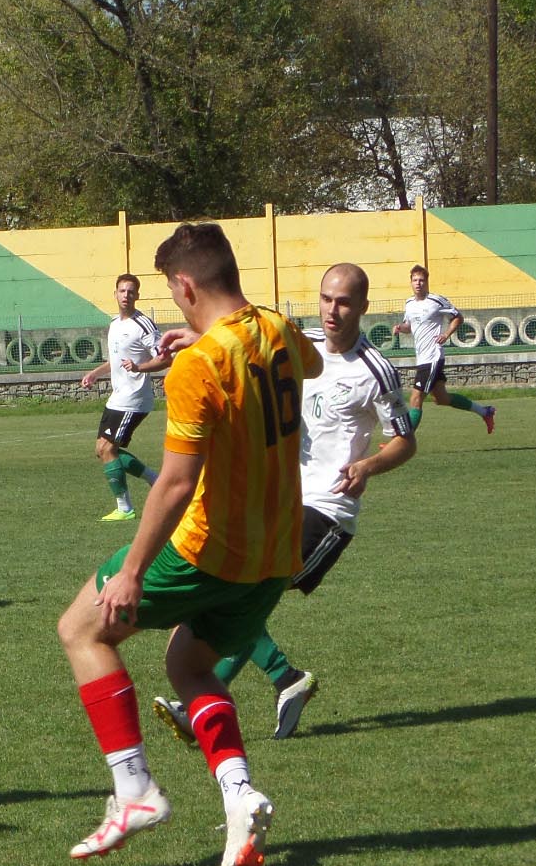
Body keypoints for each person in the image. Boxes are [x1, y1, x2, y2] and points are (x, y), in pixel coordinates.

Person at [57, 222, 321, 866]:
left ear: (185, 285)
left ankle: (134, 791)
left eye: (174, 294)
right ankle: (239, 796)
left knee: (82, 630)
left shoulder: (197, 367)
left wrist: (133, 570)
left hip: (209, 549)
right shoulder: (279, 329)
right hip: (275, 554)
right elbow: (307, 364)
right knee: (191, 666)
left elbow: (176, 482)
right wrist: (207, 337)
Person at [151, 263, 415, 744]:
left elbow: (405, 441)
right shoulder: (299, 343)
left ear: (363, 307)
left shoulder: (375, 370)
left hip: (329, 509)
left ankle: (210, 702)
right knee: (238, 591)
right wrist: (200, 339)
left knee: (244, 591)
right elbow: (245, 349)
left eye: (344, 302)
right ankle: (286, 678)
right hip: (279, 496)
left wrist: (368, 466)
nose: (332, 310)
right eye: (326, 299)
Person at [77, 273, 170, 521]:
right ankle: (155, 480)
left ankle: (125, 508)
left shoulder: (144, 325)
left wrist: (140, 367)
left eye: (130, 291)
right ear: (115, 294)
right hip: (117, 397)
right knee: (103, 450)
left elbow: (165, 358)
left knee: (107, 448)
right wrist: (95, 373)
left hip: (135, 399)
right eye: (122, 291)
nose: (126, 295)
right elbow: (116, 360)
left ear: (137, 295)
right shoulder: (114, 324)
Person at [401, 265, 495, 434]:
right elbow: (409, 326)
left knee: (415, 399)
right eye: (415, 280)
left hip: (432, 357)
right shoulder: (409, 304)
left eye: (421, 280)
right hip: (422, 358)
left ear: (427, 282)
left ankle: (401, 441)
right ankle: (485, 412)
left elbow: (458, 317)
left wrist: (446, 334)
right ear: (411, 282)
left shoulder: (436, 301)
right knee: (442, 398)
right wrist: (400, 328)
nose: (418, 283)